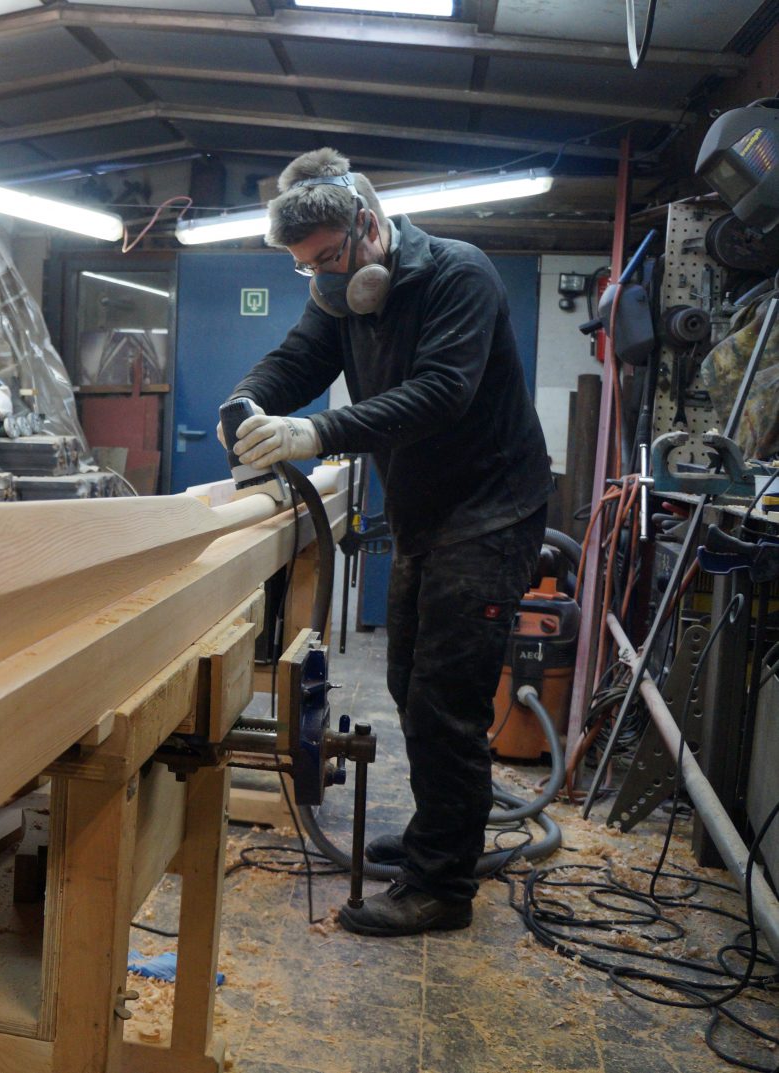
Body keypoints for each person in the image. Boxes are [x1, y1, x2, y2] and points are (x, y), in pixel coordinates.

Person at [219, 148, 551, 937]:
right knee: (410, 682)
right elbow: (299, 359)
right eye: (306, 269)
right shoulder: (337, 296)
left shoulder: (457, 276)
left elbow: (442, 392)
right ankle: (444, 837)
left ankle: (441, 886)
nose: (323, 279)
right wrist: (248, 400)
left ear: (369, 226)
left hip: (492, 510)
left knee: (448, 699)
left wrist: (314, 431)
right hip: (425, 514)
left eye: (329, 257)